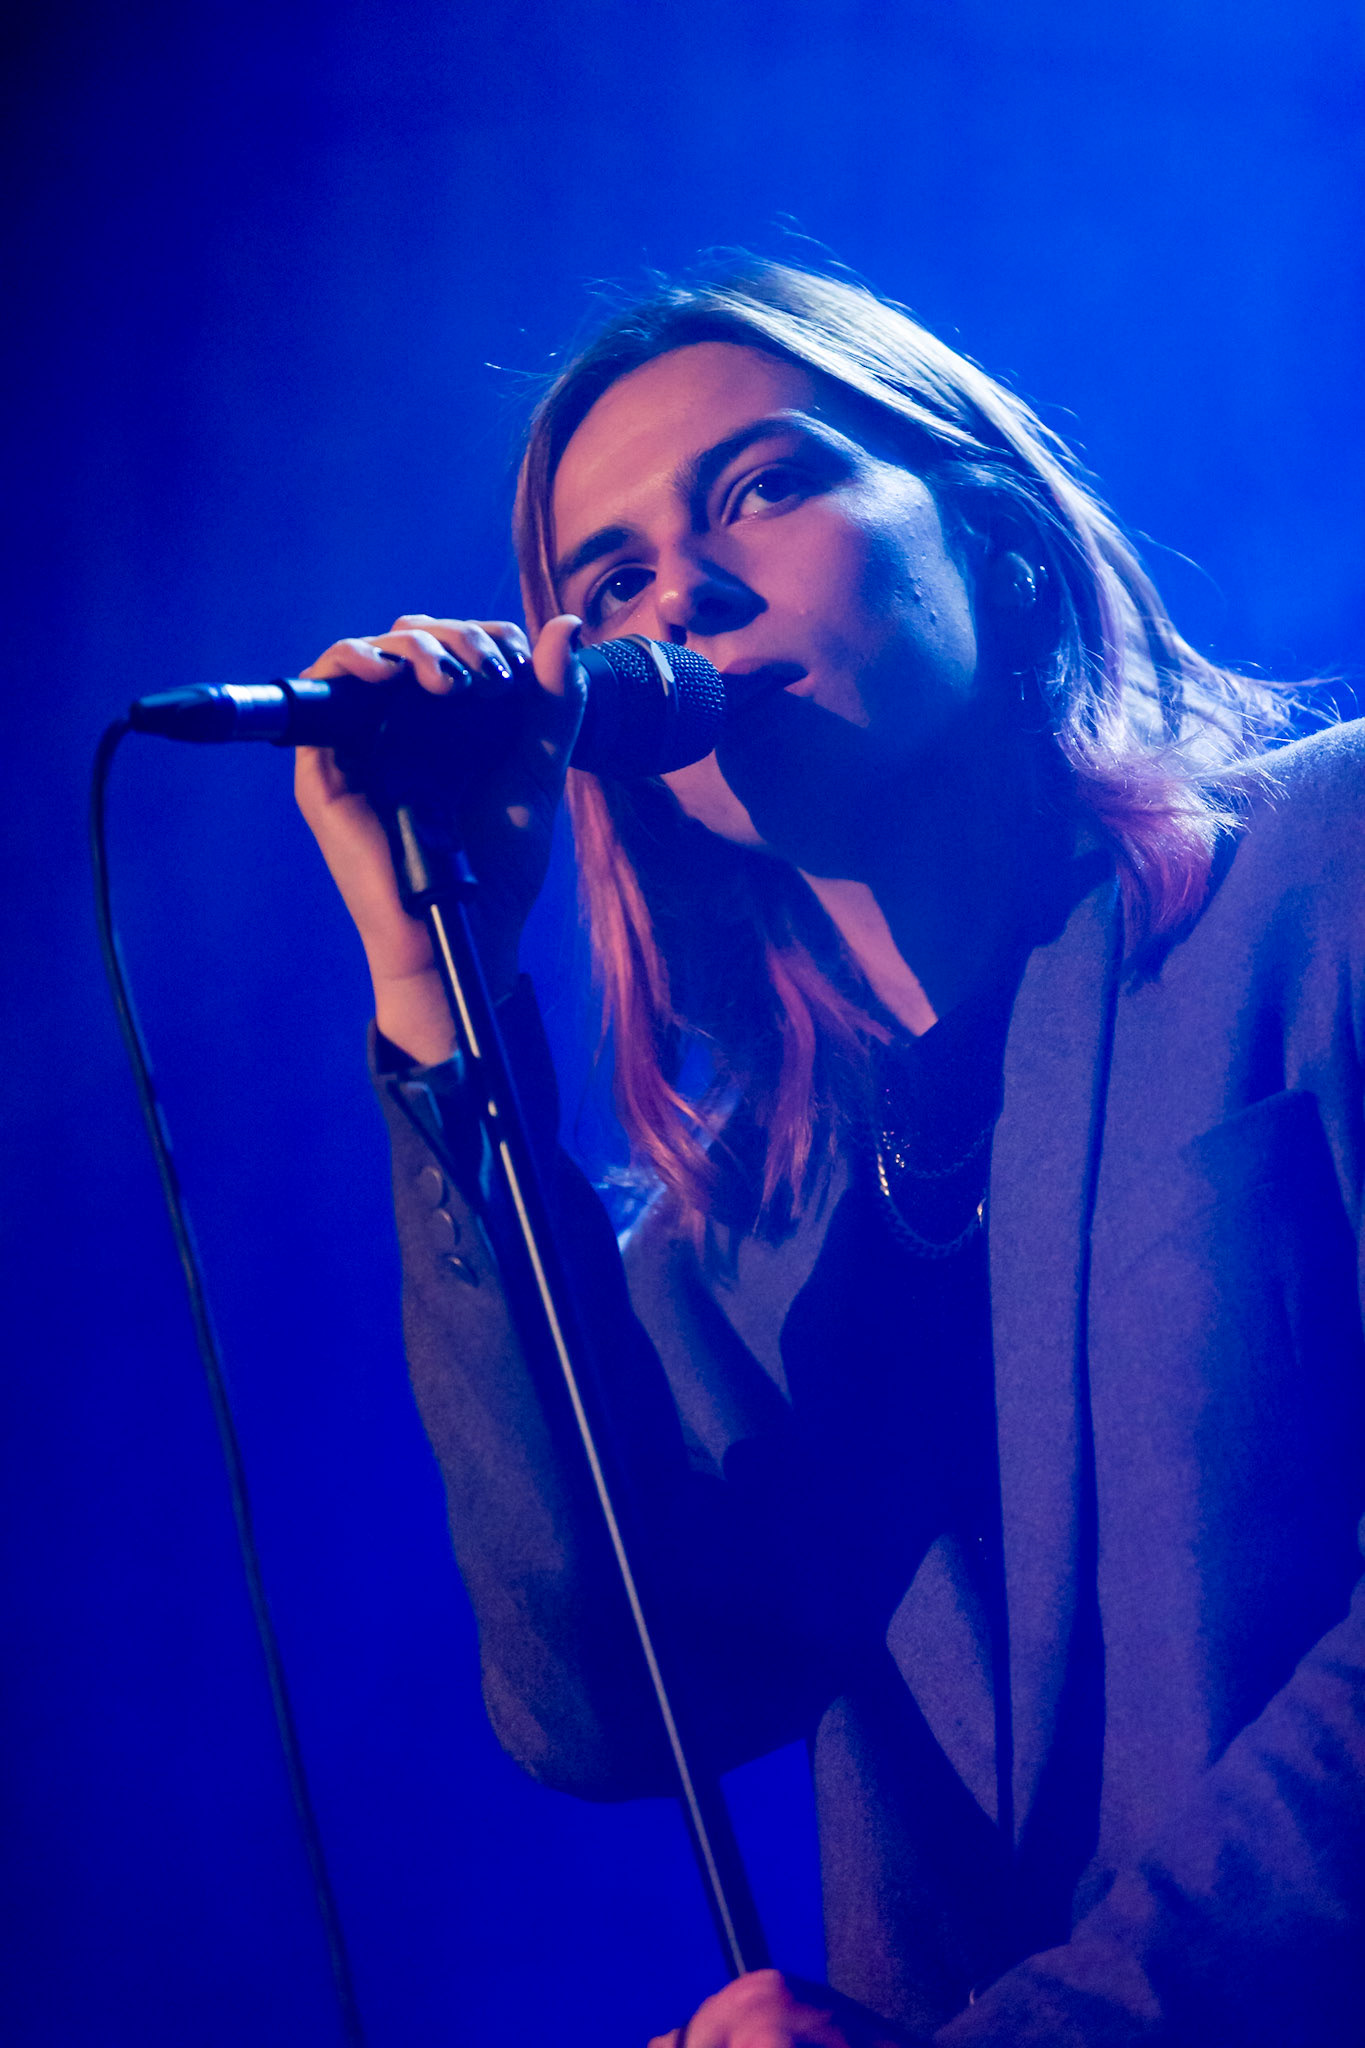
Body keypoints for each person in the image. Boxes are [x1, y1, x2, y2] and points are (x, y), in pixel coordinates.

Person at [295, 263, 1365, 2046]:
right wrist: (436, 978)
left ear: (996, 532)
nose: (684, 593)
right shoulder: (743, 1232)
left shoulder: (1324, 879)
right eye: (612, 580)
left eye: (763, 486)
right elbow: (601, 1704)